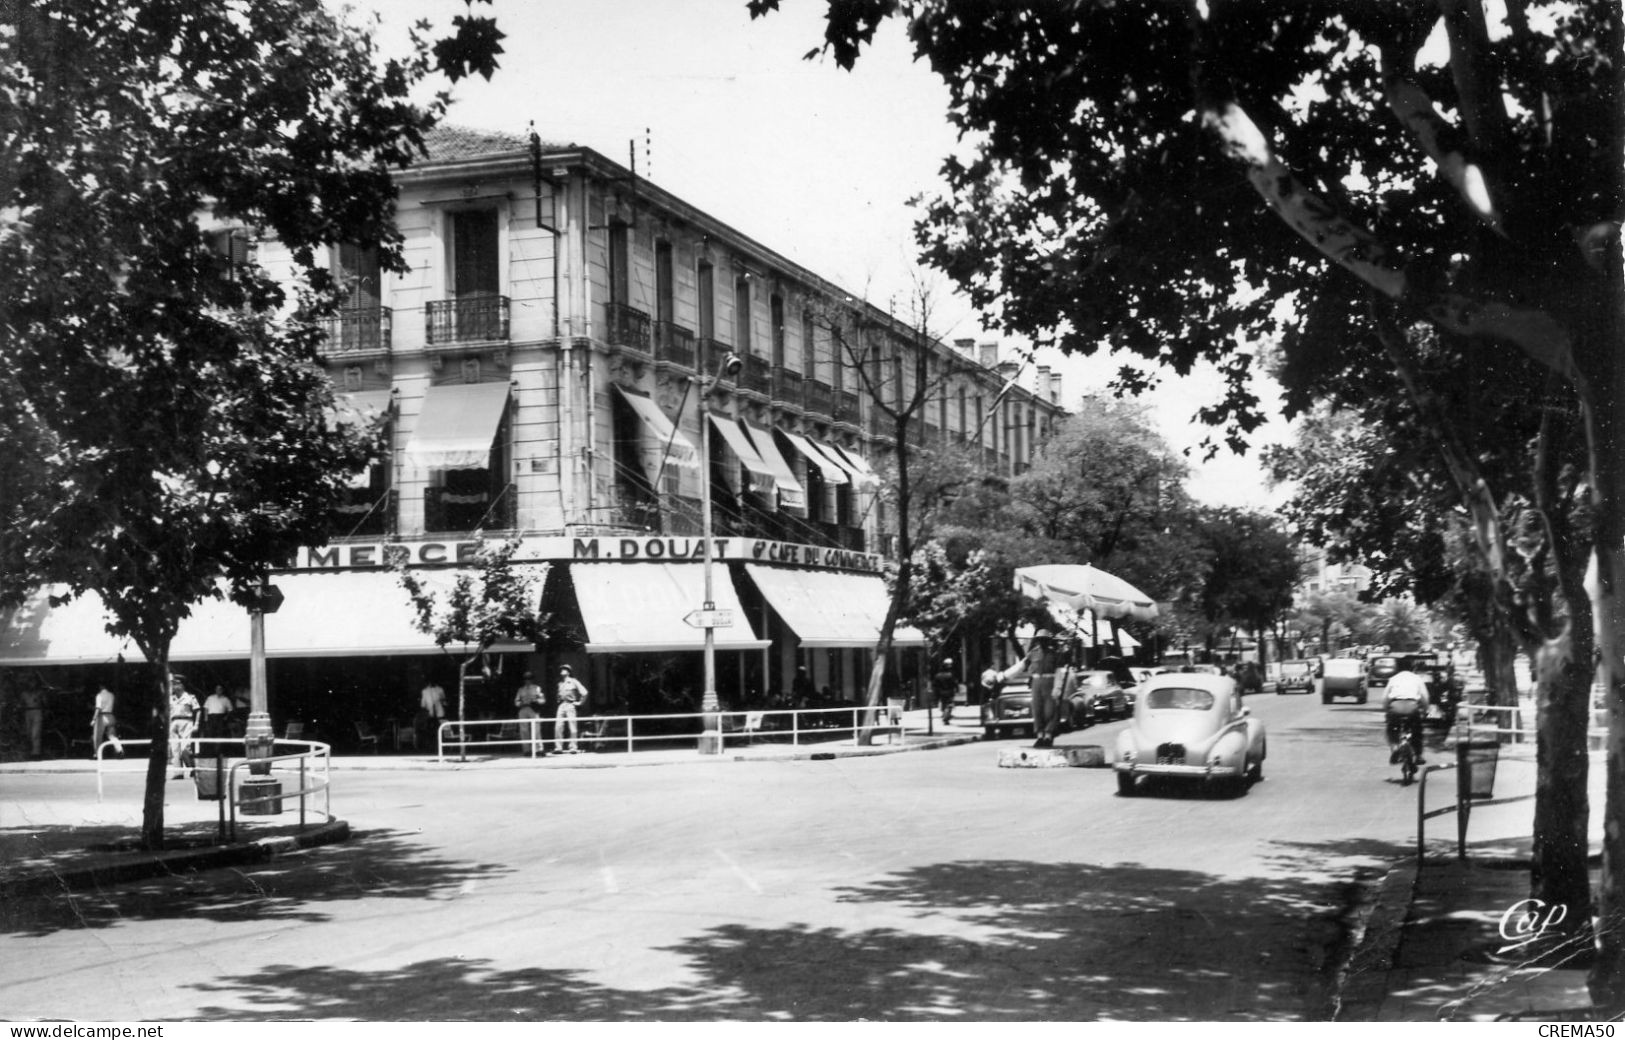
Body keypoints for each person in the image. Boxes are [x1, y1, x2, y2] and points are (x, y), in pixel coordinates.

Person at [1000, 629, 1064, 748]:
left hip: (1050, 682)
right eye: (1040, 640)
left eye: (1045, 640)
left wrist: (1057, 687)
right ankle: (1040, 736)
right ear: (1037, 640)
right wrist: (1003, 676)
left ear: (1048, 641)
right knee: (1037, 709)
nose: (1042, 642)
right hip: (1036, 682)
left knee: (1050, 710)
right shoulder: (1032, 653)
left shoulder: (1054, 654)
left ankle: (1048, 736)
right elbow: (1020, 667)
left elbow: (1059, 671)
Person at [1383, 661, 1431, 766]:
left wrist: (1386, 711)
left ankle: (1395, 747)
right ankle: (1418, 755)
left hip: (1396, 707)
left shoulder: (1393, 679)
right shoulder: (1417, 678)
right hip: (1412, 707)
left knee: (1391, 729)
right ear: (1413, 668)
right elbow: (1425, 697)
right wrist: (1426, 710)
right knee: (1417, 731)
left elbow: (1385, 698)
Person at [167, 677, 200, 779]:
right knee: (175, 749)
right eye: (173, 684)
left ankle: (192, 768)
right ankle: (178, 773)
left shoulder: (190, 697)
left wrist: (196, 724)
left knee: (185, 748)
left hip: (186, 722)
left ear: (182, 686)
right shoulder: (171, 698)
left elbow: (198, 710)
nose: (173, 686)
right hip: (173, 723)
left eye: (176, 684)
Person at [554, 665, 588, 754]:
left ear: (568, 672)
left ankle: (573, 747)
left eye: (564, 669)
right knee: (558, 726)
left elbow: (584, 692)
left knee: (572, 726)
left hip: (570, 704)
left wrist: (580, 703)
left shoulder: (573, 681)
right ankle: (558, 747)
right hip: (561, 705)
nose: (562, 670)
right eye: (561, 669)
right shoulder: (560, 683)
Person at [514, 671, 547, 754]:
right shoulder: (521, 690)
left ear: (532, 680)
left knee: (536, 729)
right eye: (526, 679)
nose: (527, 680)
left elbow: (543, 700)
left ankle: (539, 749)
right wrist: (521, 703)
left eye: (529, 679)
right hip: (523, 708)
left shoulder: (537, 688)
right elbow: (516, 701)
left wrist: (536, 701)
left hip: (533, 708)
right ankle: (527, 750)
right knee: (524, 729)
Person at [91, 684, 123, 759]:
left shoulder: (99, 695)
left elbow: (98, 708)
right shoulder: (112, 695)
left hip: (102, 717)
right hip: (111, 716)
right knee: (112, 735)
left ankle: (97, 754)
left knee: (97, 737)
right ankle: (119, 750)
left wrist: (94, 719)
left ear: (100, 687)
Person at [20, 685, 44, 760]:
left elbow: (45, 702)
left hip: (37, 710)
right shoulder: (24, 693)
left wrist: (41, 699)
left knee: (35, 732)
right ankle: (30, 751)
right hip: (28, 711)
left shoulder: (40, 692)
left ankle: (36, 753)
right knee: (29, 732)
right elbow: (21, 703)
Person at [420, 678, 447, 745]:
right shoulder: (425, 691)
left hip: (440, 713)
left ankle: (442, 743)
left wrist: (443, 703)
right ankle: (430, 744)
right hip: (430, 714)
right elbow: (423, 704)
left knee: (442, 729)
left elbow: (444, 701)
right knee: (430, 730)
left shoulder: (440, 689)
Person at [932, 657, 957, 724]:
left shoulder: (937, 675)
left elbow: (934, 685)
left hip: (941, 692)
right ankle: (946, 717)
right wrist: (956, 690)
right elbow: (954, 684)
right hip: (949, 692)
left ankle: (945, 715)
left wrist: (936, 693)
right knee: (949, 705)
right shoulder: (950, 675)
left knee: (944, 704)